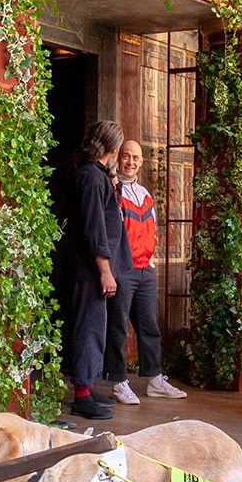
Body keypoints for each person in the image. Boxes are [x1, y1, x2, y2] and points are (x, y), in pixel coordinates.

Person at [104, 140, 187, 404]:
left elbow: (151, 230)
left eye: (135, 158)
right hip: (123, 269)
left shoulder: (145, 194)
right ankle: (118, 382)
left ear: (141, 162)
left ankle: (154, 379)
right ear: (118, 159)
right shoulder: (112, 190)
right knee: (117, 327)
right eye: (126, 156)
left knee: (150, 327)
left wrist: (151, 258)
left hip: (144, 270)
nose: (130, 162)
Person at [61, 121, 132, 421]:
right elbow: (94, 226)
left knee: (96, 328)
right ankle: (81, 395)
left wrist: (112, 175)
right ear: (113, 149)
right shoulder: (90, 177)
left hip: (96, 270)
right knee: (87, 329)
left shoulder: (100, 175)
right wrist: (104, 268)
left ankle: (88, 387)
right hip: (89, 270)